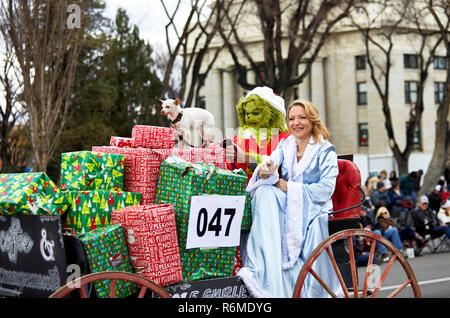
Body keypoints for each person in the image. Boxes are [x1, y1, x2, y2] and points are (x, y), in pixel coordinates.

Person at [238, 100, 343, 298]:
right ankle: (263, 268)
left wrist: (291, 188)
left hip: (314, 206)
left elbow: (326, 189)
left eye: (302, 117)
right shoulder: (285, 146)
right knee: (263, 193)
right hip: (287, 203)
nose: (296, 123)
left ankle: (299, 282)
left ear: (312, 120)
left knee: (271, 195)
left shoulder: (325, 150)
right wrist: (265, 171)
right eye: (292, 118)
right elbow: (269, 166)